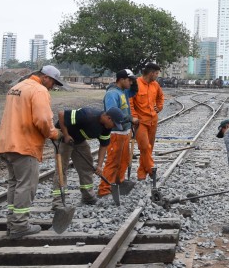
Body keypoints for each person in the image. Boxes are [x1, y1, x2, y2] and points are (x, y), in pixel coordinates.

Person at [0, 64, 65, 239]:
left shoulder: (16, 87)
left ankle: (12, 223)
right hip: (24, 146)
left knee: (14, 184)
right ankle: (20, 225)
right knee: (26, 185)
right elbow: (42, 120)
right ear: (46, 77)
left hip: (7, 143)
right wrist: (54, 134)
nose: (53, 87)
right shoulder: (39, 90)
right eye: (53, 83)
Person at [52, 106, 124, 207]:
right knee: (61, 169)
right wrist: (66, 135)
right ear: (108, 118)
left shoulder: (106, 127)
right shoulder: (87, 115)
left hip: (79, 140)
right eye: (114, 124)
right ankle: (58, 202)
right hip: (64, 138)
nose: (114, 127)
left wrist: (99, 165)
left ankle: (88, 197)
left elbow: (103, 146)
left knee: (87, 166)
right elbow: (61, 114)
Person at [97, 69, 139, 198]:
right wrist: (130, 119)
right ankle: (104, 189)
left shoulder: (123, 91)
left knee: (124, 160)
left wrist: (134, 79)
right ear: (121, 80)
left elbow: (134, 91)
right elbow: (112, 113)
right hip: (115, 132)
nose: (131, 83)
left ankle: (118, 182)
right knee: (113, 161)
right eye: (129, 80)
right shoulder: (112, 94)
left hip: (124, 132)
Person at [130, 62, 164, 182]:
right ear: (151, 73)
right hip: (140, 122)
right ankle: (151, 169)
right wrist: (133, 117)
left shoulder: (155, 85)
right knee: (145, 147)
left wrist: (159, 107)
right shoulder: (136, 84)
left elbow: (160, 97)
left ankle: (141, 174)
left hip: (153, 121)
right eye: (156, 73)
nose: (157, 76)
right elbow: (130, 102)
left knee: (148, 149)